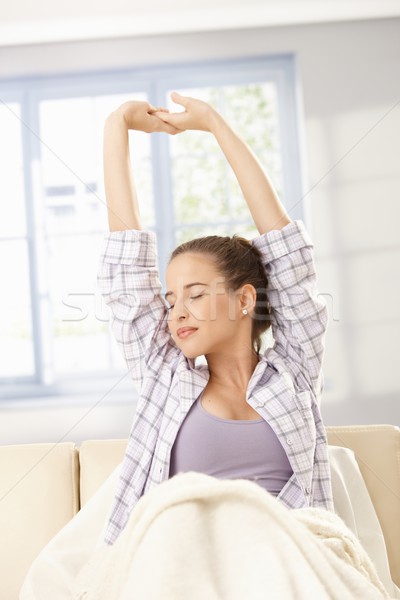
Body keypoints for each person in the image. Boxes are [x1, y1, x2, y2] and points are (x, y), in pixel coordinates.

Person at [99, 91, 334, 546]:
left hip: (287, 559)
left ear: (244, 299)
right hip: (186, 562)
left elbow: (287, 253)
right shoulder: (163, 376)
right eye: (170, 301)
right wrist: (117, 125)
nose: (177, 312)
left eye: (196, 294)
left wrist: (214, 125)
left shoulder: (295, 374)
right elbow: (126, 266)